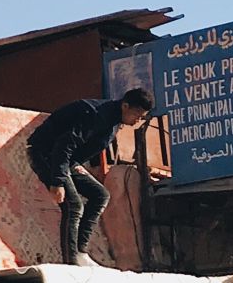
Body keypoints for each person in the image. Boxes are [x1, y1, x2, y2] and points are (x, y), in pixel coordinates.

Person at [26, 87, 155, 265]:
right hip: (46, 153)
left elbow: (89, 146)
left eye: (143, 117)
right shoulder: (95, 114)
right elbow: (64, 146)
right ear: (125, 106)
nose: (138, 121)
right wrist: (57, 181)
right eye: (137, 114)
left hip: (67, 160)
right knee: (73, 205)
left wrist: (78, 166)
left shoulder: (114, 121)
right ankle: (71, 261)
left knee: (100, 194)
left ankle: (81, 252)